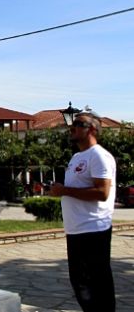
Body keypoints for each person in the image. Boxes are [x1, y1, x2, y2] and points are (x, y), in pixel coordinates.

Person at [50, 111, 116, 312]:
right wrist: (58, 190)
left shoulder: (99, 156)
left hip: (93, 229)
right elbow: (76, 190)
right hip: (76, 230)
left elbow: (102, 192)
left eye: (78, 124)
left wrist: (64, 190)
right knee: (81, 284)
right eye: (72, 123)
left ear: (93, 129)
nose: (73, 127)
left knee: (96, 285)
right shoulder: (77, 157)